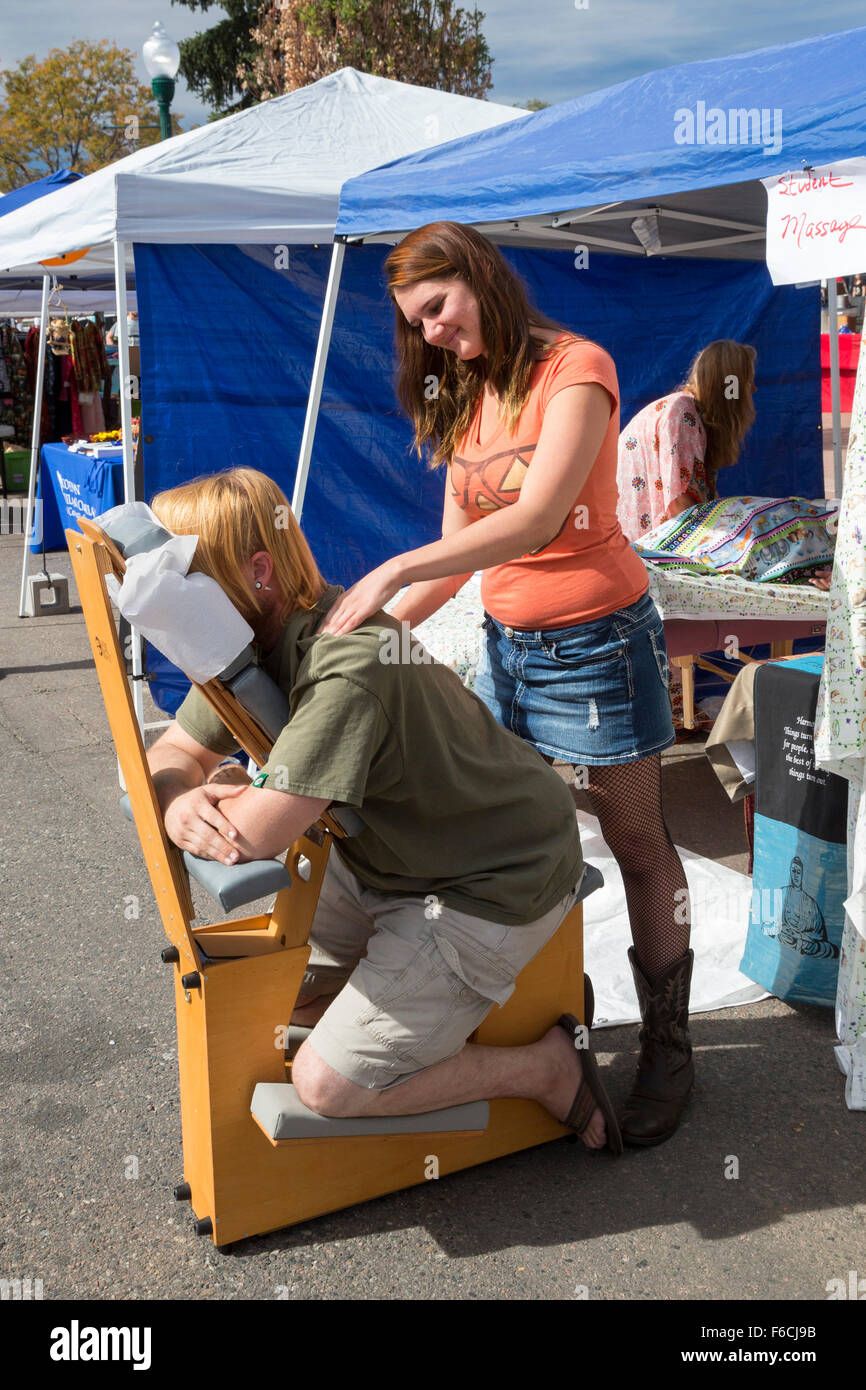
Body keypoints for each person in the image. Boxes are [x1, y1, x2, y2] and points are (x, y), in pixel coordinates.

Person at [316, 221, 694, 1147]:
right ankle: (548, 1012)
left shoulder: (579, 368)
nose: (435, 334)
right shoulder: (464, 395)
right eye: (417, 324)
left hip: (598, 646)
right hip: (507, 648)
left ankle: (669, 1046)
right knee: (509, 837)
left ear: (481, 276)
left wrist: (391, 570)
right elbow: (458, 561)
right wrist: (361, 639)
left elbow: (531, 521)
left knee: (636, 839)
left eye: (439, 308)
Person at [144, 467, 622, 1152]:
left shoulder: (345, 668)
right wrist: (178, 799)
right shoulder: (252, 645)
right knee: (266, 1006)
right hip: (395, 862)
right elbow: (171, 754)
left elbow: (249, 835)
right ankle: (430, 1009)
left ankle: (543, 1066)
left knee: (327, 1084)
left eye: (187, 583)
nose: (174, 606)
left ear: (257, 572)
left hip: (490, 878)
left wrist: (209, 795)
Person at [616, 339, 757, 541]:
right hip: (643, 551)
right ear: (730, 385)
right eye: (749, 381)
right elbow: (680, 504)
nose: (754, 389)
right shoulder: (682, 413)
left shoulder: (692, 414)